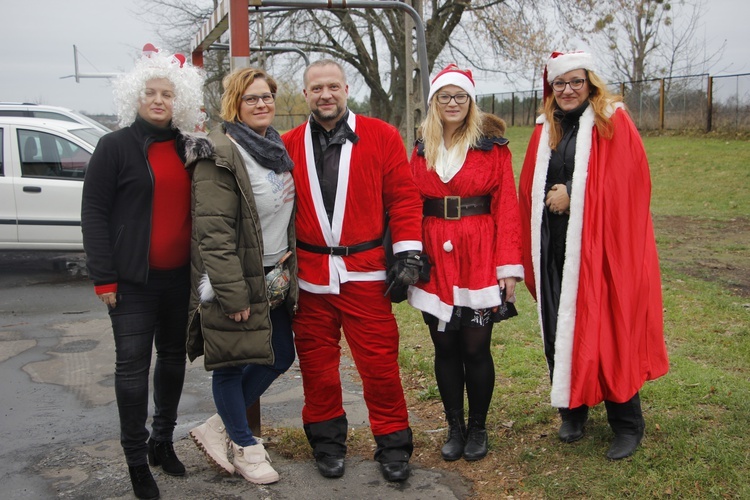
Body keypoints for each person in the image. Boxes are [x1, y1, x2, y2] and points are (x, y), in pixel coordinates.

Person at [518, 51, 669, 460]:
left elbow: (628, 186)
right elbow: (529, 184)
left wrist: (574, 196)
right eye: (560, 84)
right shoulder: (544, 128)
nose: (567, 90)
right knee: (558, 324)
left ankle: (627, 421)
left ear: (591, 83)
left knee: (608, 329)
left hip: (601, 249)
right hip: (554, 246)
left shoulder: (612, 121)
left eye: (575, 82)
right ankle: (573, 409)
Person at [281, 59, 423, 482]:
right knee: (317, 366)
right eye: (316, 88)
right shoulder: (287, 143)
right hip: (309, 276)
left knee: (380, 364)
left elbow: (403, 198)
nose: (325, 95)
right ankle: (327, 443)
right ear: (305, 94)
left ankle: (394, 444)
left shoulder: (381, 135)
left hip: (366, 274)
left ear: (345, 89)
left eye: (333, 87)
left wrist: (409, 254)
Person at [81, 46, 210, 499]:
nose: (159, 100)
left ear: (181, 101)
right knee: (132, 370)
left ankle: (162, 441)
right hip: (132, 283)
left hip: (180, 279)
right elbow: (94, 213)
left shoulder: (189, 147)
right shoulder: (113, 147)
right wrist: (104, 278)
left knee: (174, 360)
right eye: (151, 92)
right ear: (135, 96)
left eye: (168, 94)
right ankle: (137, 460)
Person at [185, 67, 298, 485]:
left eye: (267, 96)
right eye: (251, 98)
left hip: (273, 275)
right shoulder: (218, 151)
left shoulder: (273, 147)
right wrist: (231, 294)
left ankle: (219, 426)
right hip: (235, 278)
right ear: (235, 103)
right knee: (231, 365)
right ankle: (244, 446)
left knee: (279, 354)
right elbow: (212, 232)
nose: (262, 104)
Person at [407, 64, 524, 462]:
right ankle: (454, 427)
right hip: (435, 256)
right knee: (444, 346)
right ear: (434, 103)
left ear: (470, 102)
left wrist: (508, 266)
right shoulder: (422, 147)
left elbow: (508, 207)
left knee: (475, 347)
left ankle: (478, 428)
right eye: (445, 96)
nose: (452, 103)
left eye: (460, 96)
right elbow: (408, 203)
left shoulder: (493, 148)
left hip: (479, 253)